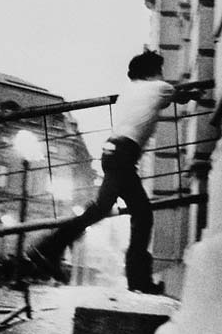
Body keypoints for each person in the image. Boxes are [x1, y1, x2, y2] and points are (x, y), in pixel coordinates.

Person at [27, 51, 201, 294]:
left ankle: (51, 248)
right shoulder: (158, 87)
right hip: (123, 155)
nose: (163, 75)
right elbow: (180, 96)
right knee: (129, 214)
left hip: (114, 153)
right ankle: (49, 248)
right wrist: (197, 93)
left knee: (131, 212)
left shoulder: (129, 91)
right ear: (153, 72)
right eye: (160, 70)